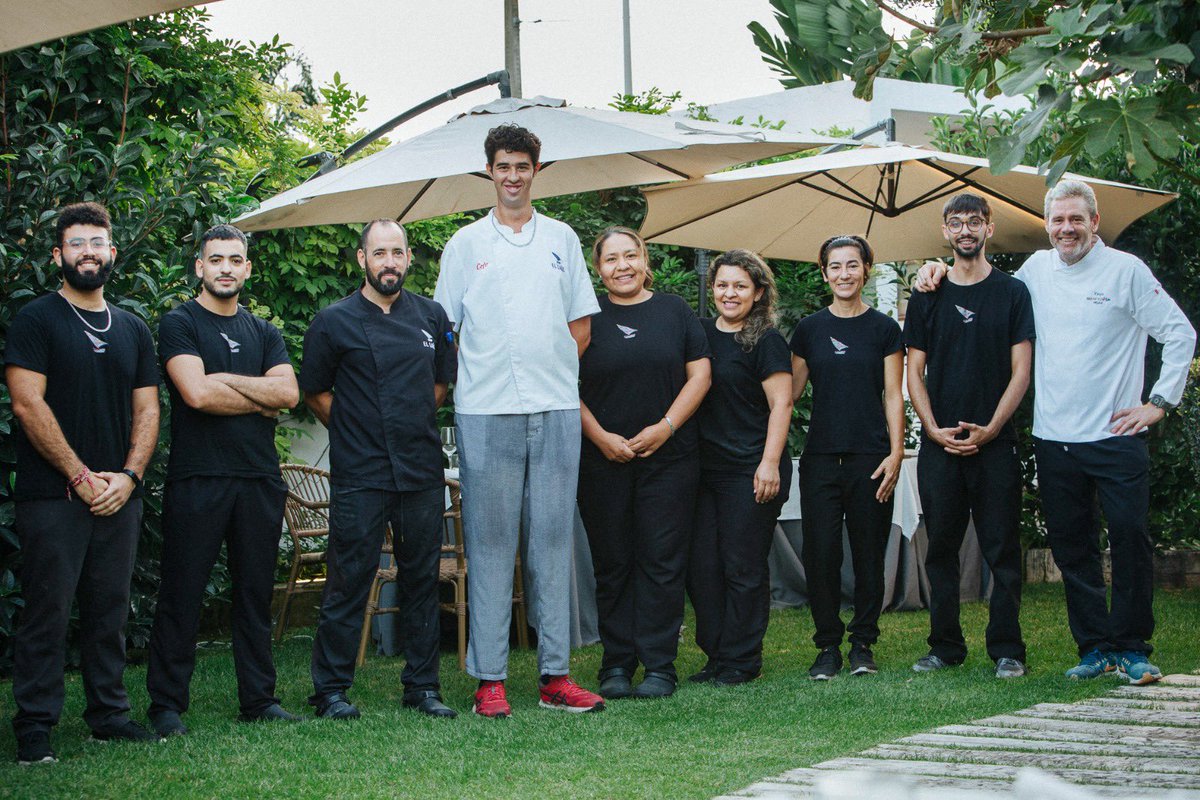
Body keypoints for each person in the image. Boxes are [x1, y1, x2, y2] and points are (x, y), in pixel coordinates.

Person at [916, 181, 1196, 684]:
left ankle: (1132, 647)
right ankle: (1094, 648)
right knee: (1072, 549)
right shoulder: (1034, 273)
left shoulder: (1127, 271)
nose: (1067, 229)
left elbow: (1180, 333)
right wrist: (932, 271)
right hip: (1054, 439)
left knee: (1130, 540)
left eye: (1076, 219)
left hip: (1115, 436)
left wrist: (1157, 403)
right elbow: (980, 285)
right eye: (1058, 220)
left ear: (1094, 221)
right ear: (1046, 225)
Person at [433, 124, 605, 717]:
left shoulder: (562, 239)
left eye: (522, 166)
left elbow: (581, 326)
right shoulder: (464, 245)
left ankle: (556, 676)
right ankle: (490, 680)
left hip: (555, 407)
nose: (512, 176)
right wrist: (489, 374)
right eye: (503, 166)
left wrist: (547, 369)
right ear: (490, 171)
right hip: (485, 411)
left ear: (536, 170)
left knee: (553, 541)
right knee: (489, 544)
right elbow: (446, 331)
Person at [5, 202, 160, 763]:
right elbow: (27, 404)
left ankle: (109, 716)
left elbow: (148, 409)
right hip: (53, 496)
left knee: (109, 611)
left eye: (97, 243)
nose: (88, 253)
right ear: (58, 255)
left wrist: (130, 477)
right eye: (77, 243)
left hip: (119, 495)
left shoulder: (133, 328)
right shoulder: (36, 320)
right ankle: (35, 726)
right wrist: (78, 476)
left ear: (112, 253)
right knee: (47, 612)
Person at [145, 224, 301, 736]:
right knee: (182, 592)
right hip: (199, 477)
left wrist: (225, 380)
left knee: (254, 594)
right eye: (216, 260)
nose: (226, 269)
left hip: (258, 478)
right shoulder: (180, 323)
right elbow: (196, 395)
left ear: (247, 268)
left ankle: (258, 699)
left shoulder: (265, 332)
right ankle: (166, 706)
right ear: (200, 267)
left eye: (235, 260)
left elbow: (289, 395)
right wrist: (258, 397)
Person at [300, 219, 458, 719]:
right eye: (379, 253)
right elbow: (315, 392)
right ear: (362, 259)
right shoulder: (333, 321)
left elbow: (440, 386)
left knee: (421, 580)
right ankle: (330, 690)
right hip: (361, 472)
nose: (389, 262)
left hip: (420, 470)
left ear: (409, 258)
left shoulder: (432, 316)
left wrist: (407, 421)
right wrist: (356, 428)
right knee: (348, 580)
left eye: (397, 252)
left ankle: (423, 687)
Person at [577, 227, 711, 700]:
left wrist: (666, 427)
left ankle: (659, 665)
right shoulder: (585, 317)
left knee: (661, 561)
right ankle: (616, 663)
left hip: (669, 459)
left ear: (645, 259)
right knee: (613, 562)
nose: (623, 266)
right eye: (611, 259)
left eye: (630, 255)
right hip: (602, 460)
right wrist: (600, 437)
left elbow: (701, 375)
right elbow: (562, 382)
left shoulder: (674, 311)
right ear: (598, 269)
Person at [904, 192, 1033, 679]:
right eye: (956, 223)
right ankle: (945, 647)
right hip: (940, 444)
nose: (965, 231)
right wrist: (932, 429)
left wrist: (993, 428)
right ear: (945, 231)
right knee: (941, 548)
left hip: (995, 444)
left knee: (1002, 549)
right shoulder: (928, 294)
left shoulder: (1012, 292)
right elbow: (914, 371)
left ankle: (1008, 649)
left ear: (988, 228)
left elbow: (1021, 371)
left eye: (974, 222)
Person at [789, 235, 904, 680]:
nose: (844, 274)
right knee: (820, 554)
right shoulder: (809, 330)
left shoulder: (885, 329)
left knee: (869, 553)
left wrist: (896, 452)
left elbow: (893, 395)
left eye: (852, 265)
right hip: (820, 458)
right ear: (824, 273)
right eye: (835, 266)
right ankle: (827, 647)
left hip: (871, 458)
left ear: (866, 270)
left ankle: (862, 644)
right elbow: (788, 394)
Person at [687, 249, 793, 686]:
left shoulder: (766, 341)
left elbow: (782, 404)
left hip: (751, 469)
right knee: (702, 568)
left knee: (742, 566)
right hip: (703, 471)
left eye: (740, 286)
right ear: (712, 288)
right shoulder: (698, 334)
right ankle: (717, 654)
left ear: (758, 293)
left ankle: (743, 660)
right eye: (722, 285)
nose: (729, 294)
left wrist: (769, 464)